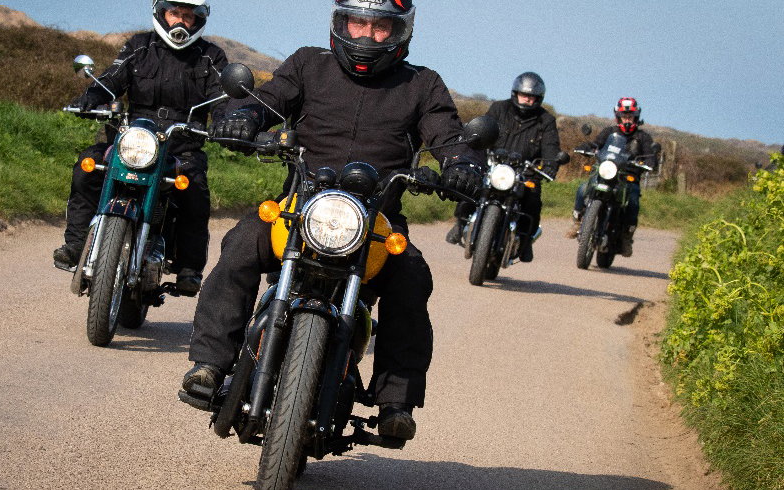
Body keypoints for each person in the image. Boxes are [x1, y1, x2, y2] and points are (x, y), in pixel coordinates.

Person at [181, 0, 484, 441]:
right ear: (340, 23)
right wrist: (241, 117)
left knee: (412, 276)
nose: (366, 35)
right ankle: (209, 363)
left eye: (380, 27)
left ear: (401, 32)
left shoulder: (422, 84)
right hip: (301, 207)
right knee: (242, 243)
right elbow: (267, 100)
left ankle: (395, 401)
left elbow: (450, 135)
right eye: (357, 22)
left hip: (376, 222)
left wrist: (464, 164)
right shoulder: (308, 63)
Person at [52, 0, 227, 296]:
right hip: (131, 140)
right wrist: (92, 95)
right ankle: (77, 244)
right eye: (175, 13)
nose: (181, 22)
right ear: (162, 13)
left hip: (180, 146)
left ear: (197, 20)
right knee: (88, 167)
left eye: (188, 15)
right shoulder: (139, 46)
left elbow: (223, 97)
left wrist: (227, 121)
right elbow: (110, 79)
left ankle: (189, 268)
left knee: (194, 190)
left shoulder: (211, 56)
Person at [444, 72, 562, 262]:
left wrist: (550, 165)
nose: (527, 100)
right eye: (524, 95)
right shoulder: (499, 108)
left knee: (533, 199)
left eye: (531, 97)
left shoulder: (546, 120)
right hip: (494, 163)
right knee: (472, 183)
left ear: (538, 99)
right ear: (516, 93)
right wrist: (475, 144)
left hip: (525, 171)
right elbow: (484, 129)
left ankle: (525, 240)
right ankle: (459, 223)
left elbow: (551, 148)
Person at [566, 97, 657, 257]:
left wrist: (649, 162)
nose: (627, 119)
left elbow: (650, 155)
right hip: (605, 173)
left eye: (630, 116)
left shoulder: (643, 137)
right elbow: (596, 144)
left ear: (636, 117)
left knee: (633, 201)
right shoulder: (609, 132)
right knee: (582, 189)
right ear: (618, 116)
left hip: (627, 178)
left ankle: (627, 237)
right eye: (624, 115)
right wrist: (587, 147)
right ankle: (578, 220)